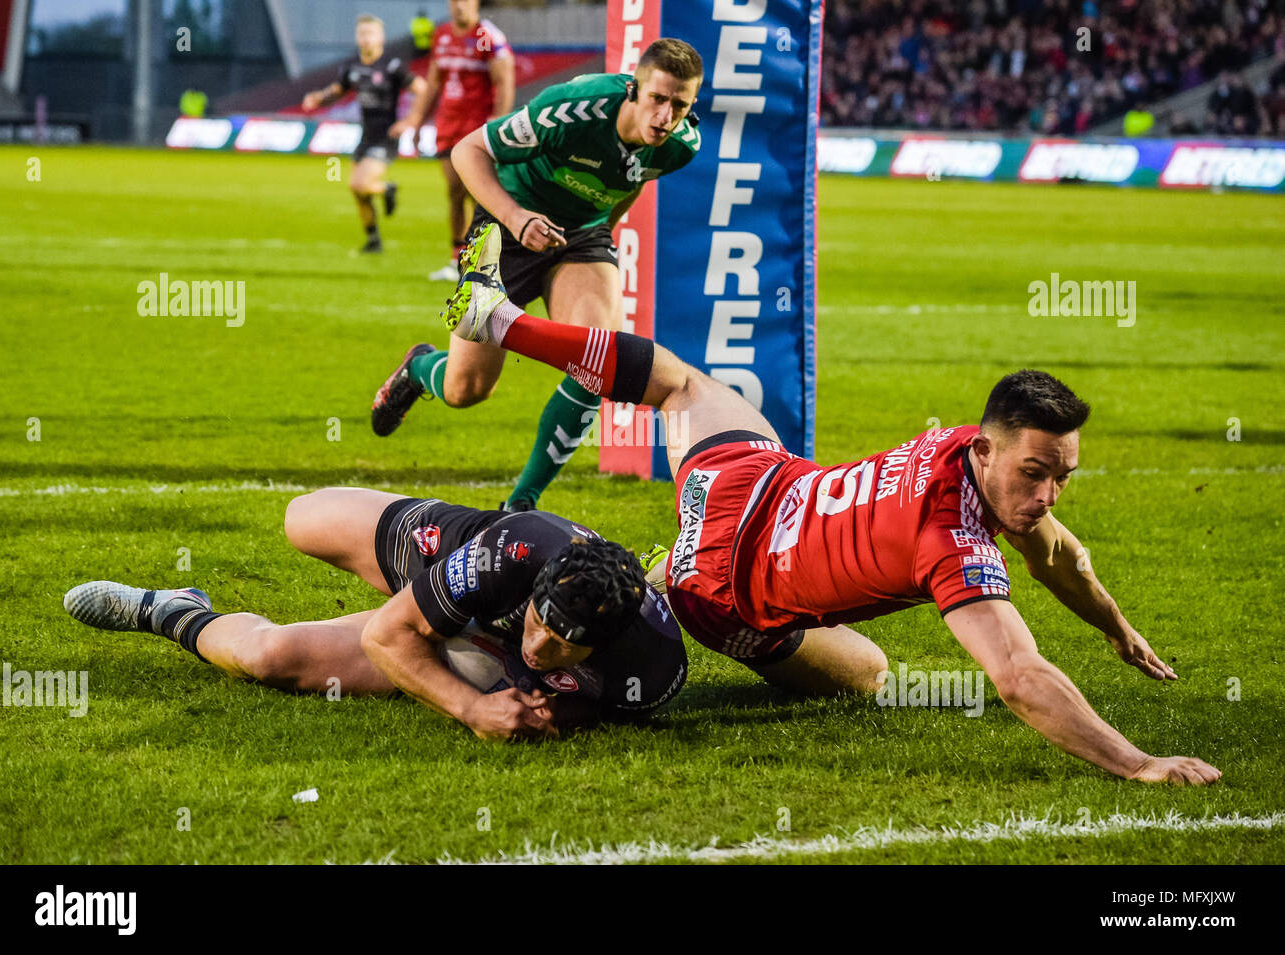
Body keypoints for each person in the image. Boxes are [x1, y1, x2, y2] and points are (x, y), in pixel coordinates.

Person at [432, 222, 1224, 784]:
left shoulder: (964, 444)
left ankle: (501, 321)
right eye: (1036, 475)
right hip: (726, 597)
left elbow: (1056, 549)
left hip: (747, 479)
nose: (1046, 494)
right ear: (987, 451)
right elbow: (1017, 676)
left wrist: (1116, 626)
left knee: (681, 383)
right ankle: (609, 595)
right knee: (873, 674)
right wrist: (1138, 761)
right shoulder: (951, 543)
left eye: (1061, 477)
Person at [62, 488, 687, 741]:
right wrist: (472, 712)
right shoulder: (519, 552)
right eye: (540, 624)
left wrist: (538, 701)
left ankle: (172, 612)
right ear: (540, 586)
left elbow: (595, 706)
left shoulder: (652, 667)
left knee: (268, 657)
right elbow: (389, 636)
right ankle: (434, 602)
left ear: (606, 640)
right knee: (301, 519)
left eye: (563, 647)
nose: (542, 648)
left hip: (480, 649)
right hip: (456, 558)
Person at [370, 38, 703, 513]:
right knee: (467, 391)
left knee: (597, 363)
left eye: (679, 105)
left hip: (580, 235)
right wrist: (516, 218)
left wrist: (601, 232)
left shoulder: (682, 145)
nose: (666, 117)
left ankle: (520, 504)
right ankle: (421, 368)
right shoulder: (573, 110)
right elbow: (468, 151)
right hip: (507, 225)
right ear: (634, 89)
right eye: (658, 99)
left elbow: (634, 178)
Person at [301, 14, 426, 254]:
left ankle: (387, 188)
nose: (365, 38)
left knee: (360, 183)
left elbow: (421, 89)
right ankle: (373, 241)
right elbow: (338, 90)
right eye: (361, 33)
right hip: (365, 136)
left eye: (370, 33)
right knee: (358, 192)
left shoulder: (391, 66)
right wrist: (318, 97)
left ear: (380, 37)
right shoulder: (352, 67)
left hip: (386, 136)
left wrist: (411, 120)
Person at [411, 0, 515, 281]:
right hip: (448, 125)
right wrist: (419, 121)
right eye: (454, 0)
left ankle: (489, 261)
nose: (459, 6)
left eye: (465, 0)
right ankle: (455, 259)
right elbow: (434, 82)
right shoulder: (441, 35)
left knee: (480, 195)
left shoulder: (486, 37)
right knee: (454, 191)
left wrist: (497, 122)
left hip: (476, 128)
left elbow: (504, 81)